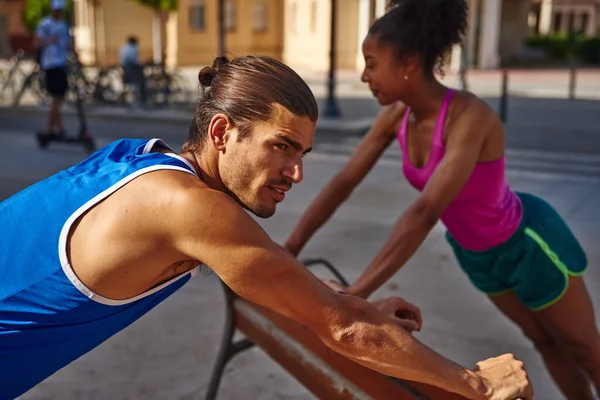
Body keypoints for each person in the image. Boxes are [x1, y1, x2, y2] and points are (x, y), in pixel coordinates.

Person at [0, 55, 532, 400]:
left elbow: (265, 271)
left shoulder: (144, 165)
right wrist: (480, 384)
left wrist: (355, 302)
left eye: (301, 152)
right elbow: (343, 330)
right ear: (222, 131)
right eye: (281, 146)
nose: (296, 173)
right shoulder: (189, 207)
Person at [283, 0, 599, 399]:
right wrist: (289, 249)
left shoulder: (470, 116)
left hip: (529, 246)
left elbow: (425, 212)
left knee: (586, 351)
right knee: (547, 344)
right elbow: (344, 182)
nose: (364, 75)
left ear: (409, 62)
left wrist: (357, 295)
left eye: (372, 63)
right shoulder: (398, 115)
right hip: (478, 256)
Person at [34, 0, 72, 137]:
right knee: (56, 98)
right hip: (51, 64)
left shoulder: (63, 25)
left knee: (59, 99)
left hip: (61, 64)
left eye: (60, 10)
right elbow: (37, 43)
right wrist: (50, 41)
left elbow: (67, 43)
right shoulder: (45, 25)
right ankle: (57, 128)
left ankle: (50, 129)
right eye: (56, 10)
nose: (58, 13)